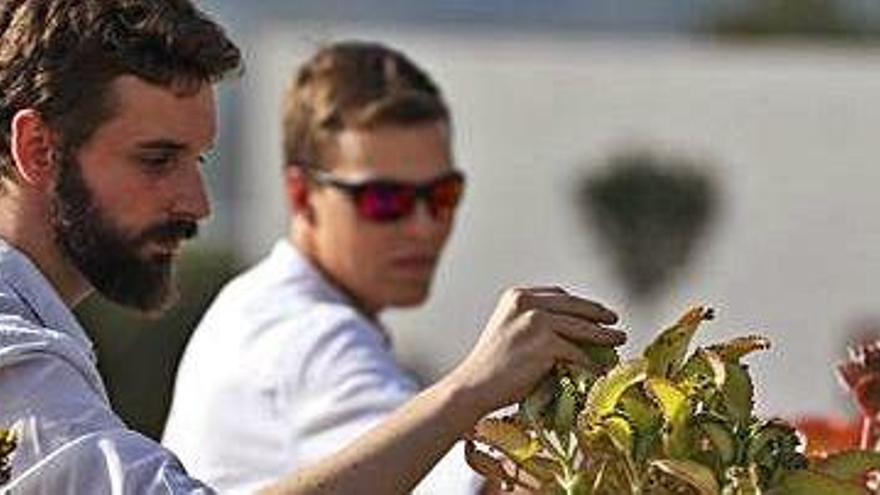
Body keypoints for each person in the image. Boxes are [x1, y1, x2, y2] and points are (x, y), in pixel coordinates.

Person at [0, 1, 626, 493]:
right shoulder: (304, 340)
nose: (196, 203)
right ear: (39, 151)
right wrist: (472, 392)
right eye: (157, 160)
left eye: (441, 195)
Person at [163, 41, 478, 493]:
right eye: (385, 200)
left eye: (442, 195)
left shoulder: (263, 306)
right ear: (302, 196)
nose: (424, 227)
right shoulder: (309, 338)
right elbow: (474, 484)